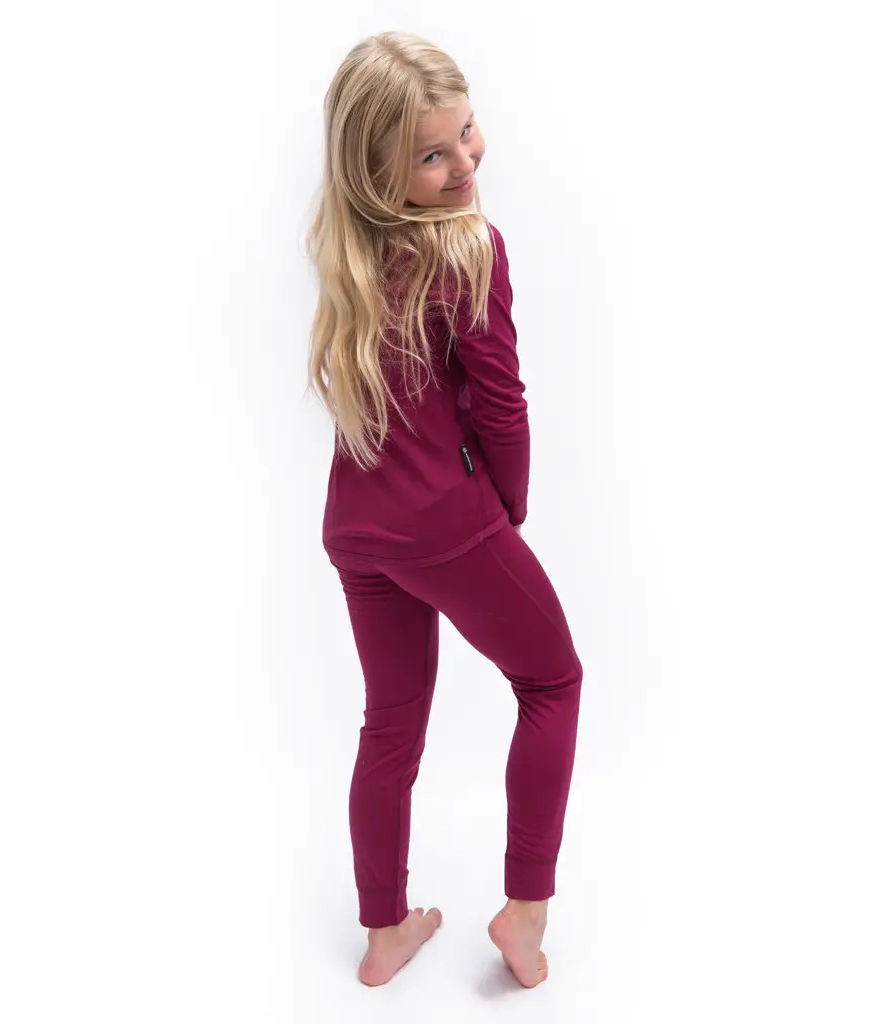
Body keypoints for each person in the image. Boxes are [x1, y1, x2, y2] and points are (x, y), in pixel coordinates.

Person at [306, 32, 585, 989]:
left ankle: (383, 933)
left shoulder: (347, 247)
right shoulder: (468, 247)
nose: (465, 162)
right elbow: (501, 402)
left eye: (467, 132)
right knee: (553, 681)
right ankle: (524, 911)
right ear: (378, 170)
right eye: (432, 155)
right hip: (443, 521)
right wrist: (506, 509)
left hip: (356, 527)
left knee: (389, 725)